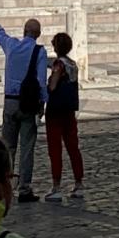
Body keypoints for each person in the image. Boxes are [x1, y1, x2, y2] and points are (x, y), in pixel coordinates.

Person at [0, 15, 47, 202]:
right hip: (28, 104)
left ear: (24, 32)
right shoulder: (39, 52)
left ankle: (4, 187)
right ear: (38, 34)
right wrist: (42, 103)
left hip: (10, 102)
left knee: (8, 147)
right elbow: (41, 81)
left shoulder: (12, 46)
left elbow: (1, 35)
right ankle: (24, 188)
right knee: (27, 148)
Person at [43, 31, 84, 205]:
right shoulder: (73, 64)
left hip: (55, 112)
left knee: (55, 149)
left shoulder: (59, 65)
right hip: (69, 111)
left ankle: (56, 186)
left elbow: (52, 86)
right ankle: (79, 183)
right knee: (73, 147)